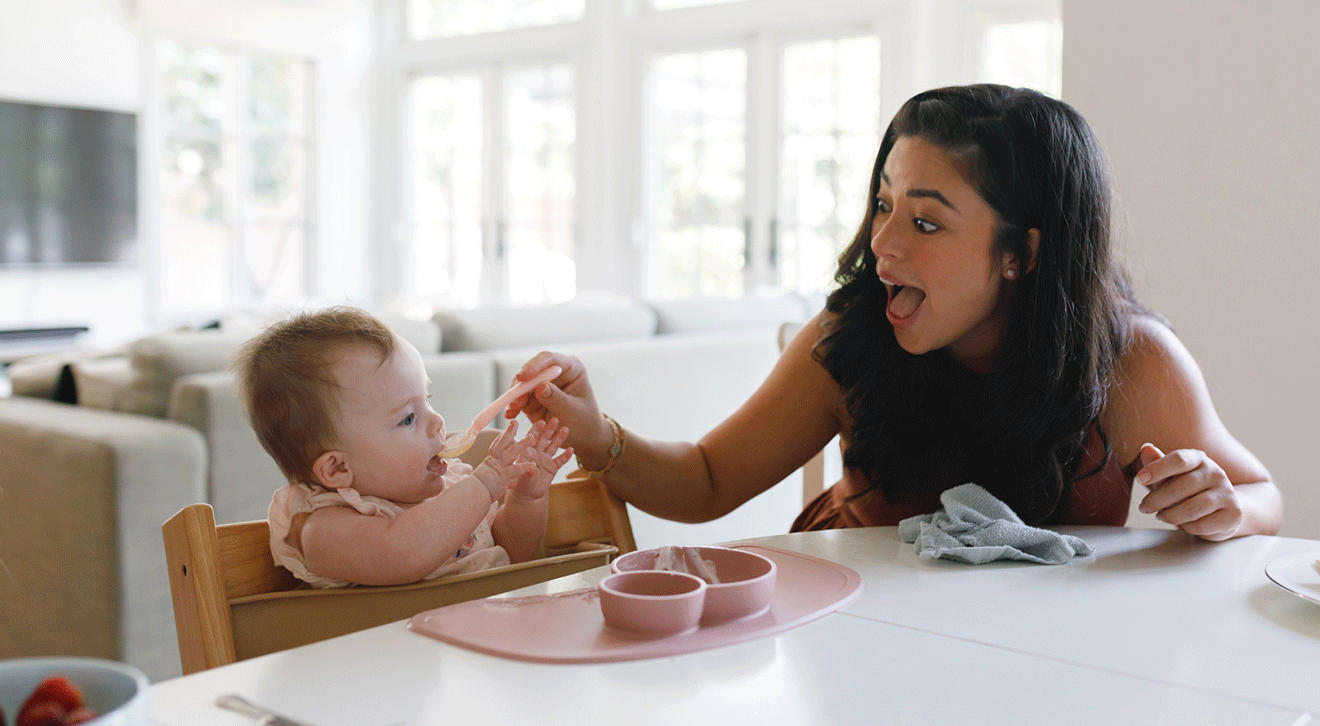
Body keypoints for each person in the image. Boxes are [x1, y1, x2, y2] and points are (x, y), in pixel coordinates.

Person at [507, 84, 1281, 542]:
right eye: (883, 205)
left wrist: (1225, 506)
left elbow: (1261, 497)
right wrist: (595, 434)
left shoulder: (1127, 360)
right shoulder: (849, 338)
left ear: (1022, 252)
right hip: (851, 642)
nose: (882, 243)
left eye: (926, 222)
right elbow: (707, 481)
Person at [234, 306, 573, 588]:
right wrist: (483, 486)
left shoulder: (452, 486)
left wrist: (527, 499)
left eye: (428, 399)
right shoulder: (324, 527)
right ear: (338, 469)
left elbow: (514, 556)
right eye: (408, 418)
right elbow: (403, 552)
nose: (438, 421)